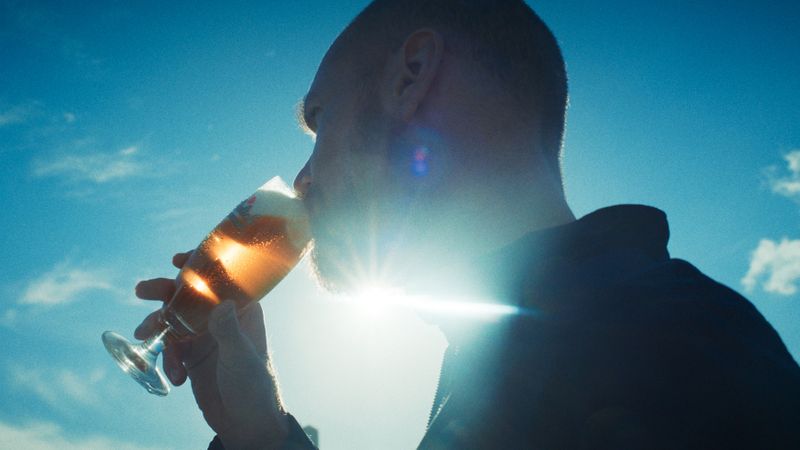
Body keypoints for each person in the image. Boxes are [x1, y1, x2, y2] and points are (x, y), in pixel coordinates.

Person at [134, 1, 800, 448]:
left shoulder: (656, 341)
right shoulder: (533, 347)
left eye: (322, 119)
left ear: (412, 76)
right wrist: (259, 434)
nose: (302, 180)